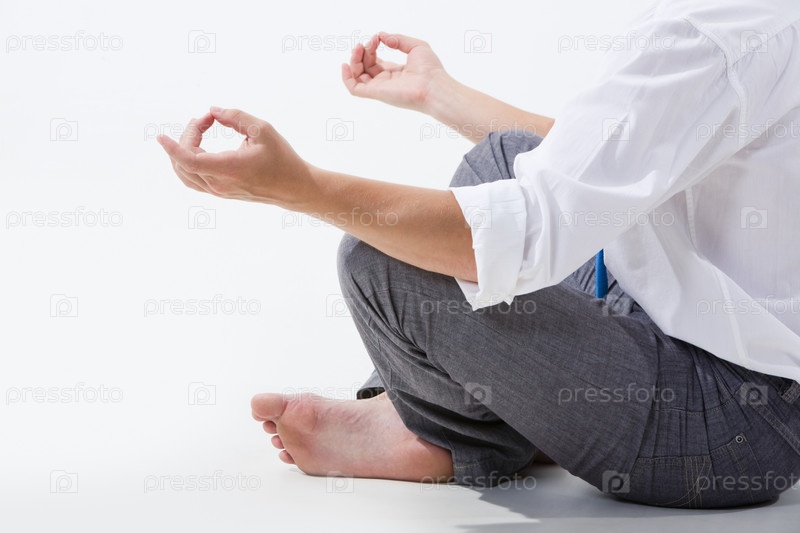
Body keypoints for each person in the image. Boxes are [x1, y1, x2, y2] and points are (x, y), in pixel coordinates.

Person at [157, 0, 800, 508]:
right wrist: (437, 93)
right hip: (703, 342)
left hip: (730, 426)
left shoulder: (709, 32)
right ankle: (482, 416)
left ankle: (453, 433)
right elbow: (602, 166)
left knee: (381, 268)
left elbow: (529, 233)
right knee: (506, 157)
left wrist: (298, 188)